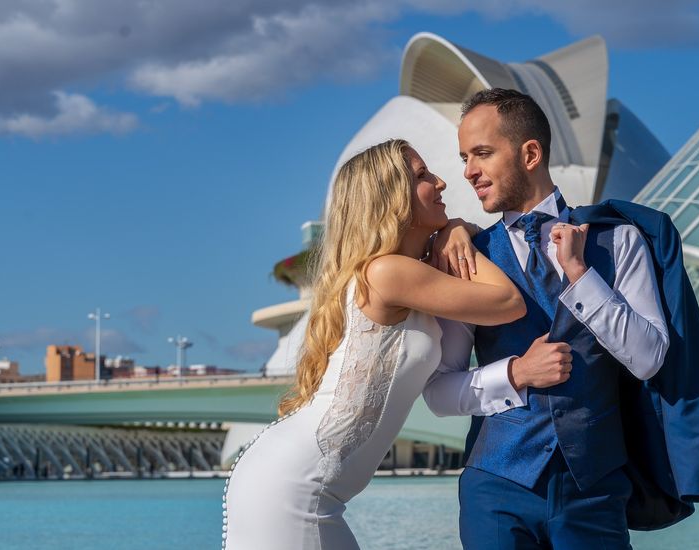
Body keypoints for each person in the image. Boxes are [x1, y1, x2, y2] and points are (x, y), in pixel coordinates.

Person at [423, 88, 699, 549]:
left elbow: (650, 358)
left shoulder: (619, 241)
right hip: (496, 489)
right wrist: (516, 373)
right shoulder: (468, 259)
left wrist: (581, 276)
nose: (468, 171)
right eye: (464, 157)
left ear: (530, 153)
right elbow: (438, 391)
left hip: (594, 493)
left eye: (482, 153)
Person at [222, 139, 529, 550]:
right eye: (421, 176)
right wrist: (457, 232)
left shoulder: (399, 274)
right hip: (295, 488)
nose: (440, 182)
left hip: (294, 482)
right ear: (392, 198)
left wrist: (455, 229)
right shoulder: (388, 273)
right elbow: (508, 303)